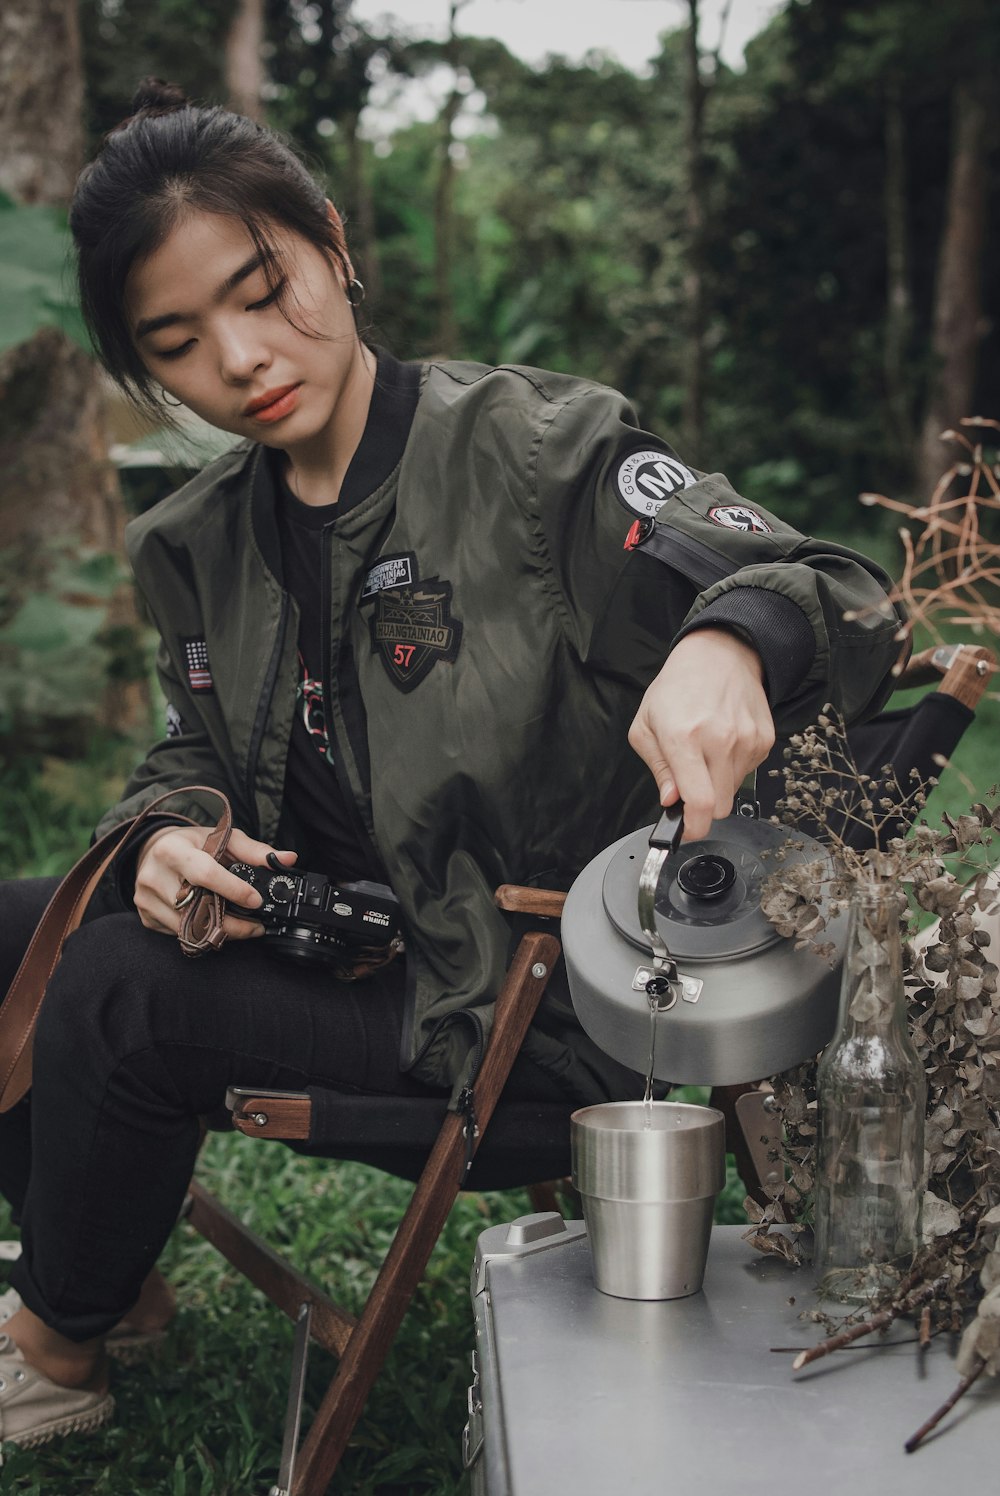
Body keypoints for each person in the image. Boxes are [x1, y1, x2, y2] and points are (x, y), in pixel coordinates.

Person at [0, 78, 904, 1449]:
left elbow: (834, 583)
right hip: (344, 954)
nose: (243, 358)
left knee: (119, 987)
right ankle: (106, 1277)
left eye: (266, 288)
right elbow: (190, 746)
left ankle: (55, 1350)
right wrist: (172, 831)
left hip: (525, 1016)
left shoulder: (544, 458)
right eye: (178, 342)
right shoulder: (193, 542)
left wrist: (732, 642)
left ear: (332, 237)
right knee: (21, 927)